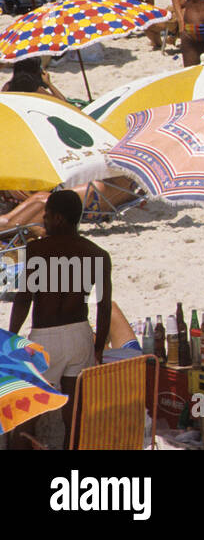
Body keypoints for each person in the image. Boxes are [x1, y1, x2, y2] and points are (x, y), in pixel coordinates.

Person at [7, 191, 112, 450]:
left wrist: (11, 337)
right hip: (80, 334)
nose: (43, 220)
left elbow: (24, 299)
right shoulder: (97, 253)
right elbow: (104, 305)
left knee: (27, 412)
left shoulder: (37, 250)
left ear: (60, 219)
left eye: (47, 215)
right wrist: (97, 348)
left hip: (45, 336)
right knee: (74, 416)